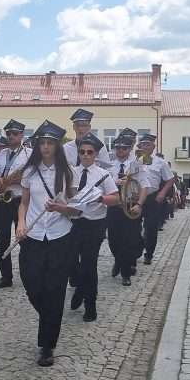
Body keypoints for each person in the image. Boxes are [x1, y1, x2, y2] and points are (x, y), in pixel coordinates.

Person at [14, 120, 81, 367]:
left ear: (57, 146)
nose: (45, 147)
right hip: (33, 235)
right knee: (32, 283)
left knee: (55, 289)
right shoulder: (30, 172)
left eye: (50, 143)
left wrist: (61, 208)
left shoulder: (68, 172)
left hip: (59, 236)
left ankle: (47, 346)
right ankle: (50, 316)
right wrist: (20, 224)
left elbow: (76, 210)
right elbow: (24, 202)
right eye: (41, 143)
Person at [67, 134, 119, 320]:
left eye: (89, 152)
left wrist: (101, 198)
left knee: (89, 265)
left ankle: (90, 305)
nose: (85, 155)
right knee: (71, 262)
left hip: (94, 223)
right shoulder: (71, 173)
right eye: (82, 152)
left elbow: (116, 198)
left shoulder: (103, 174)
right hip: (73, 222)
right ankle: (80, 288)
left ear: (96, 154)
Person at [0, 119, 30, 289]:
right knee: (2, 239)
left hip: (20, 199)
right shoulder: (1, 154)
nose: (11, 136)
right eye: (8, 134)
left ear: (22, 135)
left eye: (15, 133)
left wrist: (17, 179)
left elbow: (31, 176)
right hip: (3, 200)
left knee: (24, 239)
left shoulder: (29, 154)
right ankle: (6, 276)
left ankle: (27, 273)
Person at [105, 134, 148, 286]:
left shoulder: (136, 165)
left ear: (129, 149)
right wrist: (114, 182)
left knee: (128, 240)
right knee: (113, 240)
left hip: (130, 205)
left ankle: (125, 273)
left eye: (124, 148)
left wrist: (139, 204)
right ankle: (118, 260)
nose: (120, 151)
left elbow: (144, 186)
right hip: (114, 207)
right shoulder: (109, 165)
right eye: (118, 148)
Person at [136, 133, 174, 265]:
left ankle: (149, 254)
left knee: (151, 227)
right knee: (133, 227)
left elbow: (170, 179)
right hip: (136, 197)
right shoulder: (135, 160)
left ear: (153, 147)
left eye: (148, 145)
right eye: (143, 145)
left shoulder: (160, 162)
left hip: (152, 198)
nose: (145, 147)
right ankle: (137, 249)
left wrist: (162, 193)